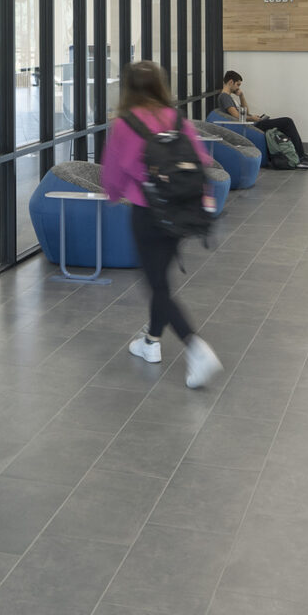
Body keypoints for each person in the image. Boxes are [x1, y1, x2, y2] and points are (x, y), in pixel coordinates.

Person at [102, 60, 223, 389]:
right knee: (161, 280)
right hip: (180, 211)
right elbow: (201, 160)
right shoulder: (176, 117)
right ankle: (151, 342)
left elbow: (111, 176)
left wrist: (113, 195)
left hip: (147, 212)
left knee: (156, 285)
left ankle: (195, 347)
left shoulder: (124, 124)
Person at [212, 70, 308, 168]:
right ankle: (301, 156)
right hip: (250, 126)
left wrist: (241, 96)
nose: (238, 88)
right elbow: (236, 116)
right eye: (238, 85)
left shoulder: (229, 97)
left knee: (285, 123)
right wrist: (253, 118)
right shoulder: (224, 97)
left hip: (252, 123)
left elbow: (246, 111)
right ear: (231, 82)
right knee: (287, 122)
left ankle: (298, 155)